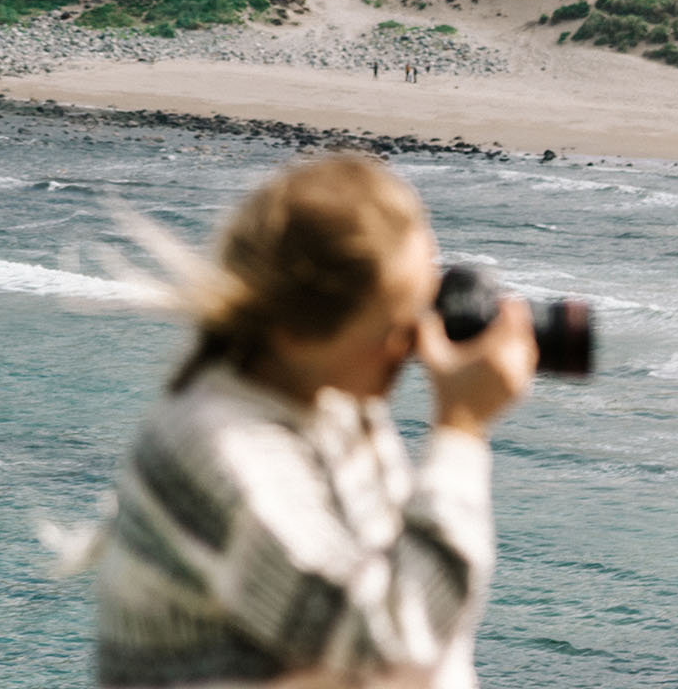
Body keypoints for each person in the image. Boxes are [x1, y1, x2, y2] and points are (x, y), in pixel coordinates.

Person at [95, 154, 537, 688]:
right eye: (397, 326)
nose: (419, 344)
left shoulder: (332, 402)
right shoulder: (223, 452)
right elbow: (391, 638)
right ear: (298, 334)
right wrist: (461, 430)